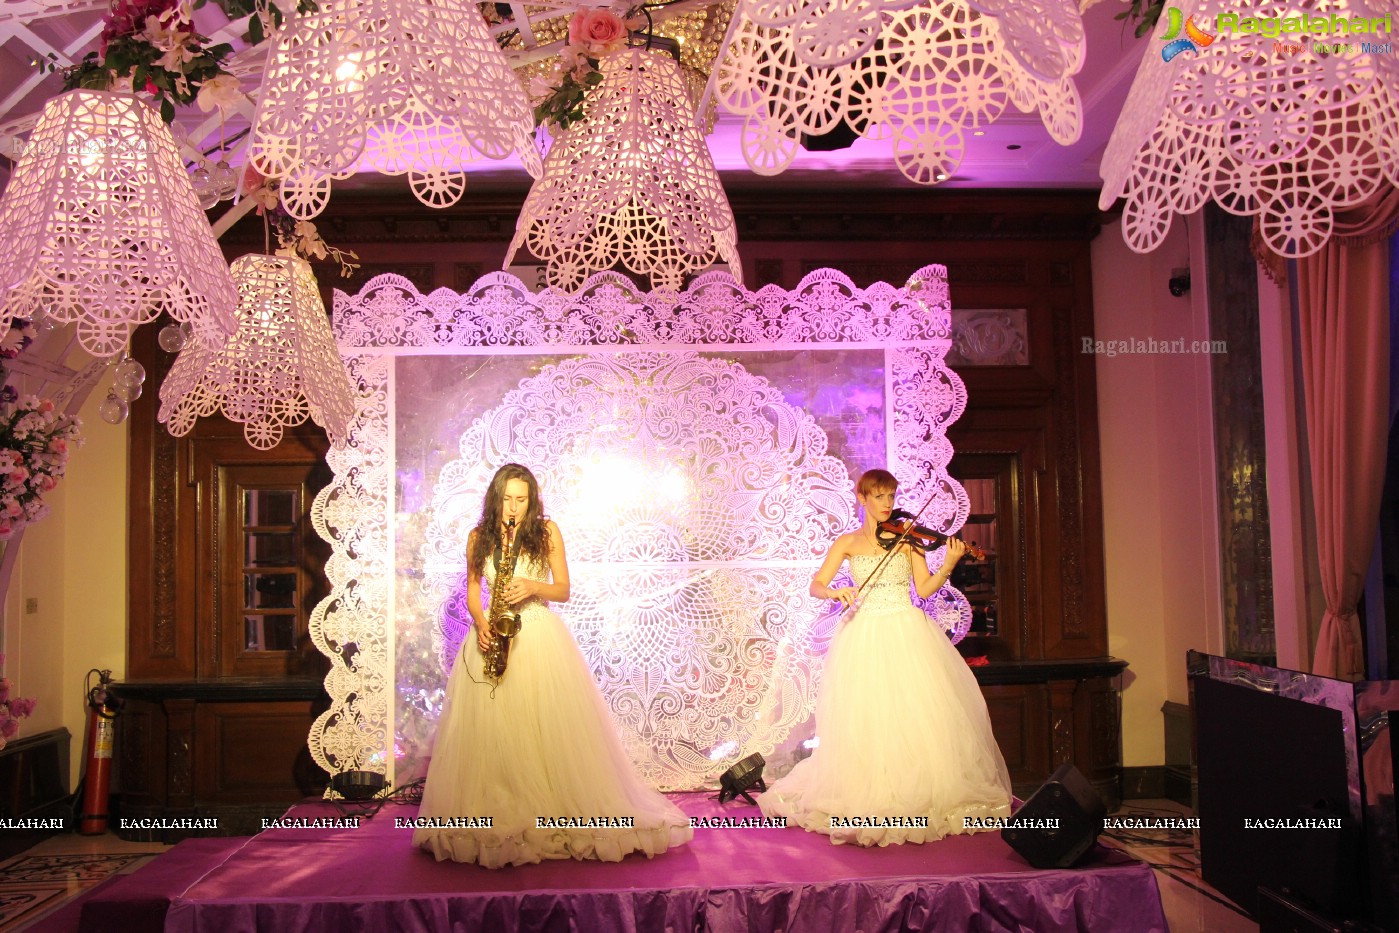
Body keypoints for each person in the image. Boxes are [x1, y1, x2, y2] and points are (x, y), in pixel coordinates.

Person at [414, 463, 692, 867]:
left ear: (532, 499)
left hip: (537, 635)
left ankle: (551, 816)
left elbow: (562, 589)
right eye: (507, 499)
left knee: (540, 729)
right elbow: (475, 590)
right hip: (493, 637)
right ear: (496, 499)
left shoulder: (546, 532)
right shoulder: (480, 537)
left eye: (521, 500)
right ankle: (501, 812)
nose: (514, 508)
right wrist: (480, 620)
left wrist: (531, 586)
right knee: (495, 734)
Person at [758, 468, 1013, 846]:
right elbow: (817, 584)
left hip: (907, 628)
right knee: (869, 715)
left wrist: (948, 564)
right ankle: (870, 790)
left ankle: (919, 792)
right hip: (863, 633)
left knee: (916, 713)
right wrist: (835, 594)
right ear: (862, 498)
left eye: (891, 497)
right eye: (879, 497)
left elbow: (923, 590)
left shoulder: (907, 539)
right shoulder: (847, 543)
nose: (888, 504)